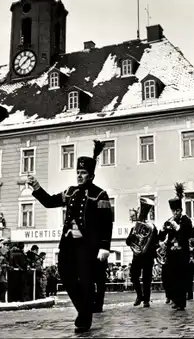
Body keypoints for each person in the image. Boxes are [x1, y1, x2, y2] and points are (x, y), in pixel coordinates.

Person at [28, 140, 113, 333]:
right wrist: (37, 187)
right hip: (67, 243)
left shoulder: (100, 195)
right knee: (66, 276)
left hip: (87, 245)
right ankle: (85, 306)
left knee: (85, 279)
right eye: (78, 173)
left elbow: (107, 222)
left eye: (83, 173)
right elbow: (50, 202)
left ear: (91, 175)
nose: (80, 176)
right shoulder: (70, 192)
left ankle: (84, 318)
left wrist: (104, 246)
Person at [157, 183, 193, 311]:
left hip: (182, 254)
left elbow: (190, 234)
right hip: (171, 254)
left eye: (177, 211)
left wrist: (178, 228)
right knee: (172, 279)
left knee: (181, 279)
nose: (175, 213)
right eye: (173, 211)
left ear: (181, 211)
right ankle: (175, 300)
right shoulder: (169, 220)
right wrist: (162, 229)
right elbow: (161, 238)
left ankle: (181, 302)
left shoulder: (186, 221)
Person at [126, 197, 158, 308]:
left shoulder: (152, 227)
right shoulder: (134, 228)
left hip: (148, 257)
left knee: (147, 279)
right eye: (141, 212)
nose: (141, 215)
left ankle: (146, 300)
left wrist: (148, 247)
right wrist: (133, 236)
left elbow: (156, 242)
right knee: (134, 276)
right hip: (137, 256)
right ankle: (139, 296)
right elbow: (127, 242)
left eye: (143, 212)